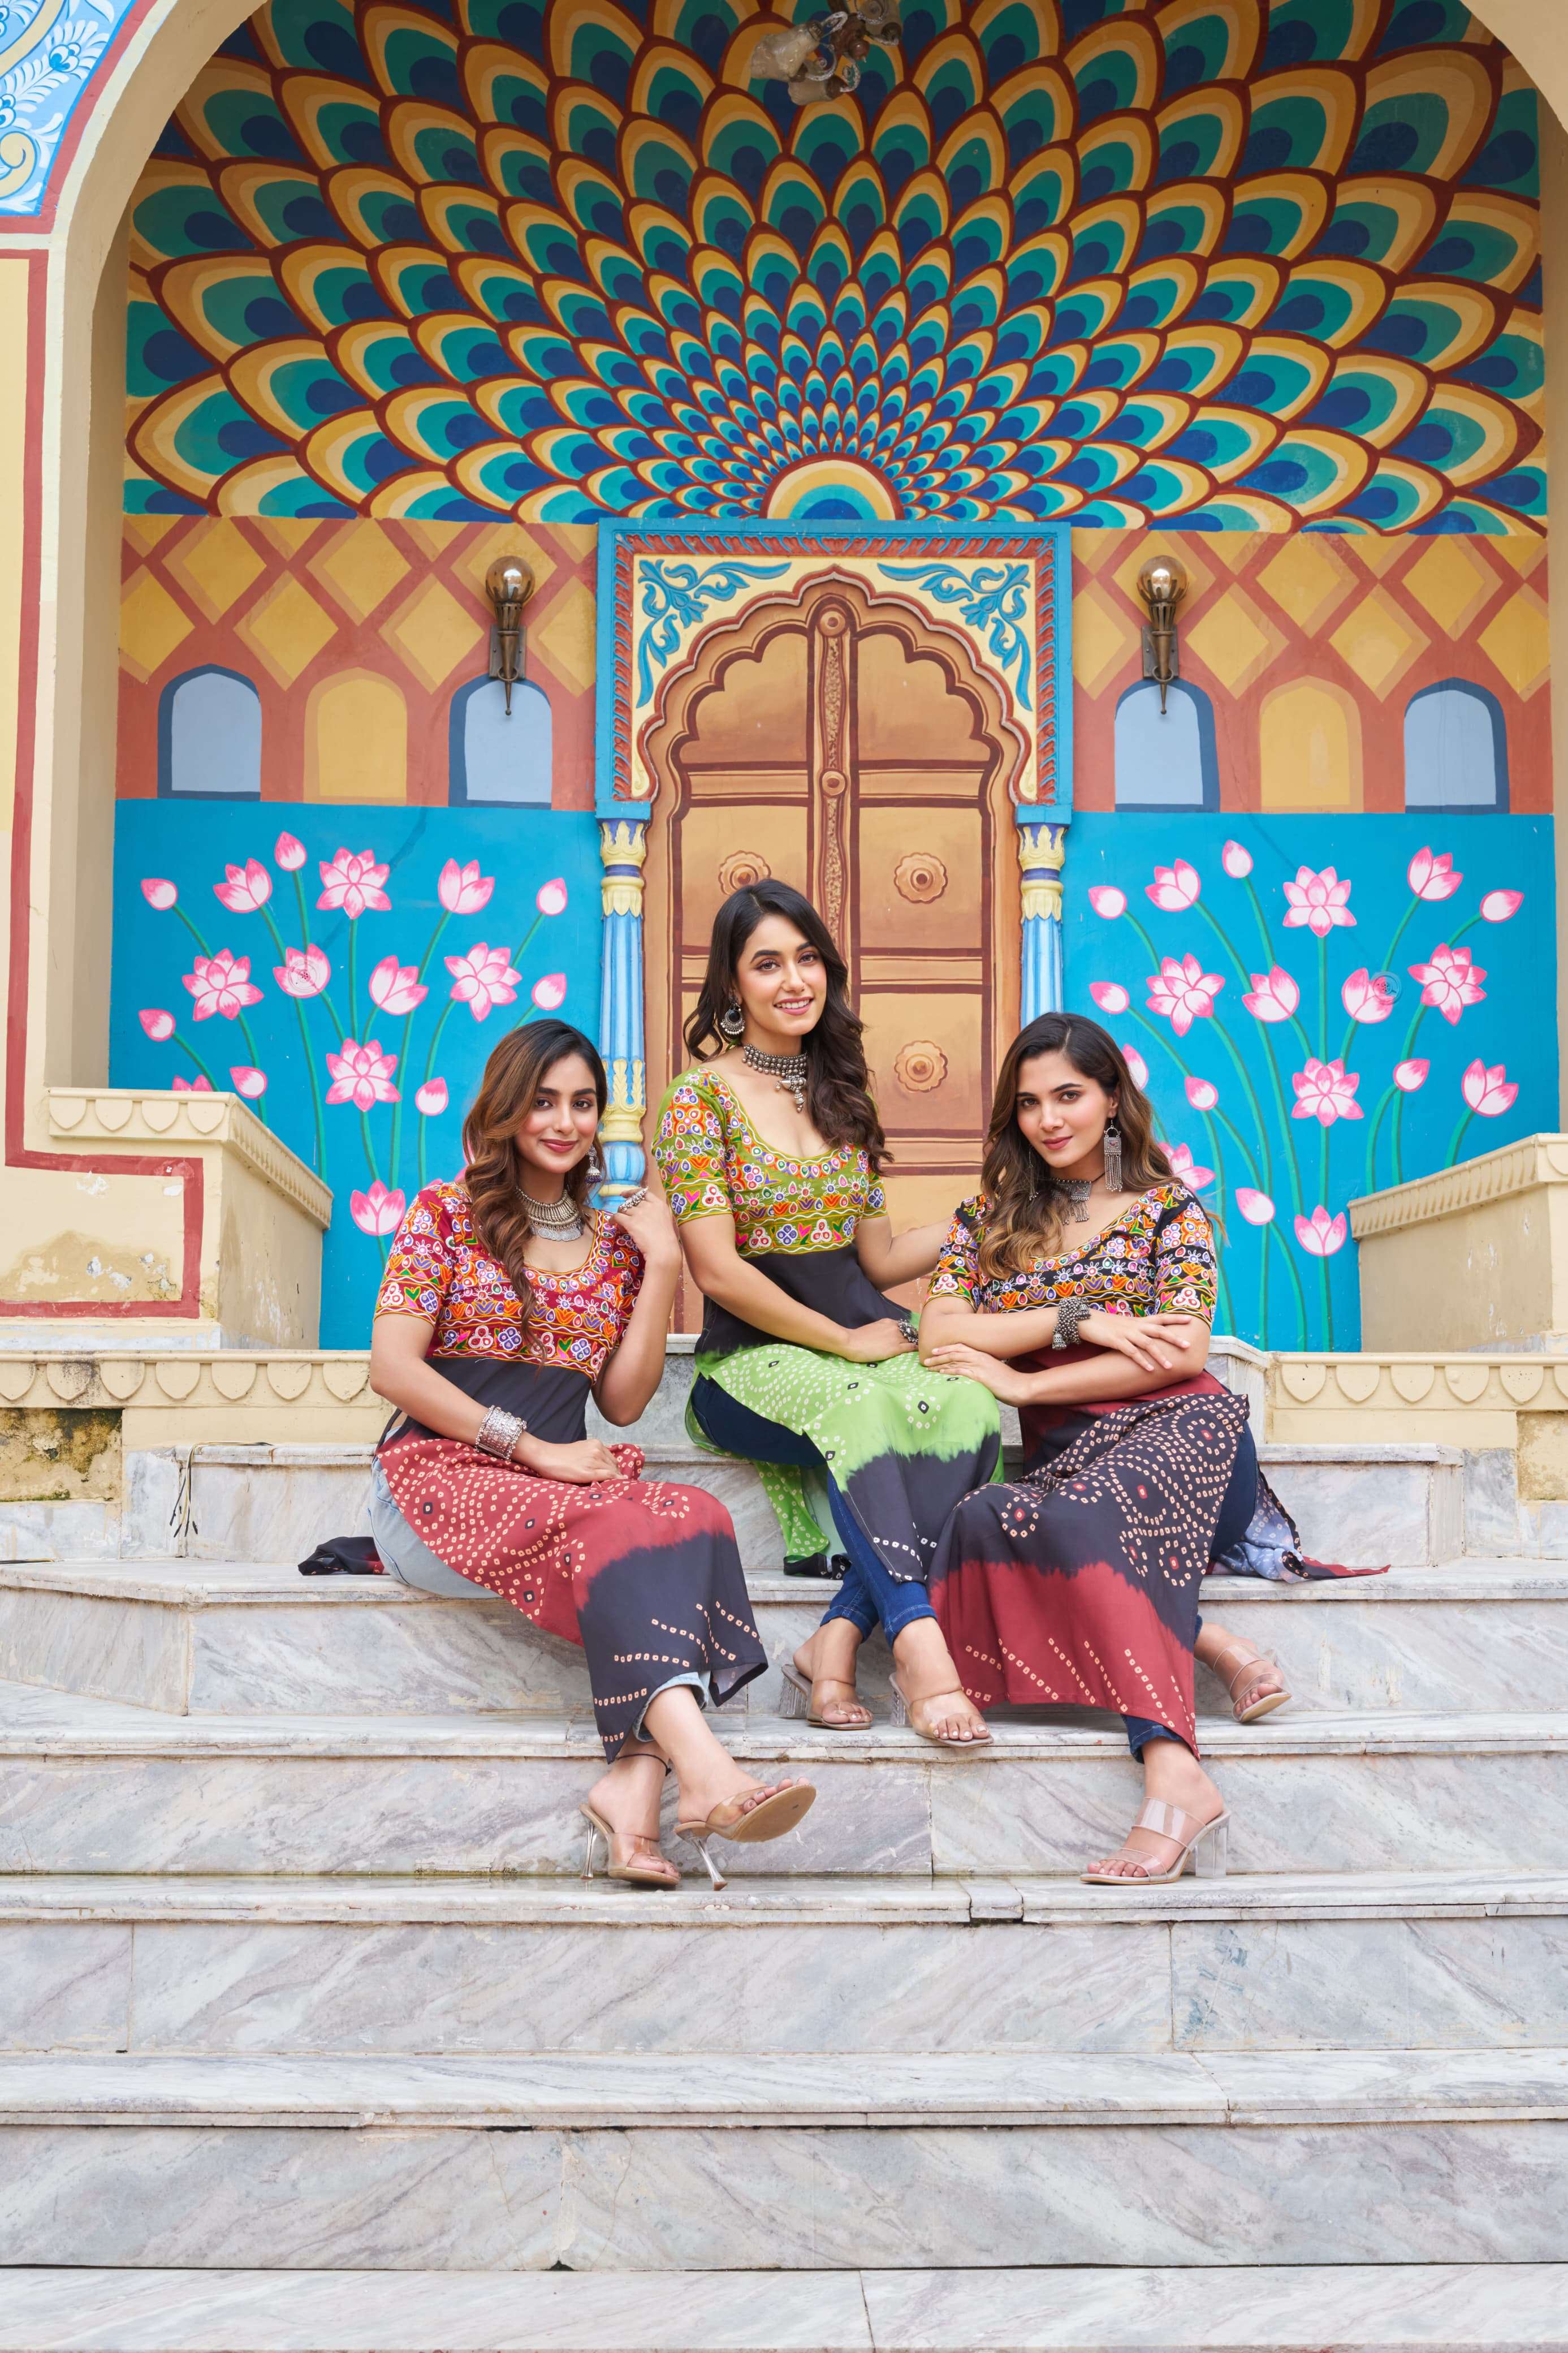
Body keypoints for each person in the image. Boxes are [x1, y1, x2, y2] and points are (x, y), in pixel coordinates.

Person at [367, 1018, 815, 1891]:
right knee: (616, 1526)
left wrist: (662, 1267)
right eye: (543, 1102)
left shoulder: (614, 1249)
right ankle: (705, 1774)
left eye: (582, 1103)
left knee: (694, 1515)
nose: (565, 1122)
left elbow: (622, 1403)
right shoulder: (444, 1214)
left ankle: (633, 1784)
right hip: (434, 1483)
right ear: (505, 1109)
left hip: (557, 1495)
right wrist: (534, 1449)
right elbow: (393, 1368)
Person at [919, 1011, 1291, 1885]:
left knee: (1082, 1522)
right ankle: (1207, 1640)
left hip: (1183, 1434)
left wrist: (1024, 1385)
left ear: (1112, 1100)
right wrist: (1074, 1320)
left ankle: (1171, 1770)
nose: (1048, 1120)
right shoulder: (987, 1222)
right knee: (984, 1516)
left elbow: (1181, 1354)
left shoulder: (1167, 1211)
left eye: (1068, 1096)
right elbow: (940, 1332)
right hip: (1075, 1460)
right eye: (1028, 1103)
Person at [651, 879, 1002, 1746]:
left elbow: (877, 1260)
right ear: (732, 986)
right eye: (766, 964)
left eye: (806, 958)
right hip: (748, 1364)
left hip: (860, 1343)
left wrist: (981, 1220)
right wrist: (845, 1341)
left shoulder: (844, 1097)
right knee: (863, 1408)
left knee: (969, 1402)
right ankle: (920, 1650)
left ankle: (833, 1641)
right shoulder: (698, 1101)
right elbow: (717, 1271)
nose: (793, 980)